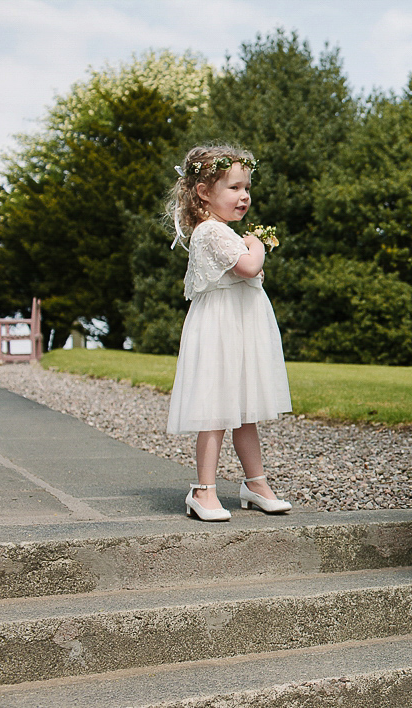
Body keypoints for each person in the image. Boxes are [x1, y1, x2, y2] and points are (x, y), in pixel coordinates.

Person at [165, 144, 293, 522]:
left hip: (240, 328)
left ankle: (255, 483)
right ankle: (203, 490)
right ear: (205, 192)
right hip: (221, 329)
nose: (245, 196)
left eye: (247, 188)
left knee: (244, 410)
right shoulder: (210, 232)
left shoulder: (222, 232)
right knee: (216, 410)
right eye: (234, 188)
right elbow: (249, 267)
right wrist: (256, 245)